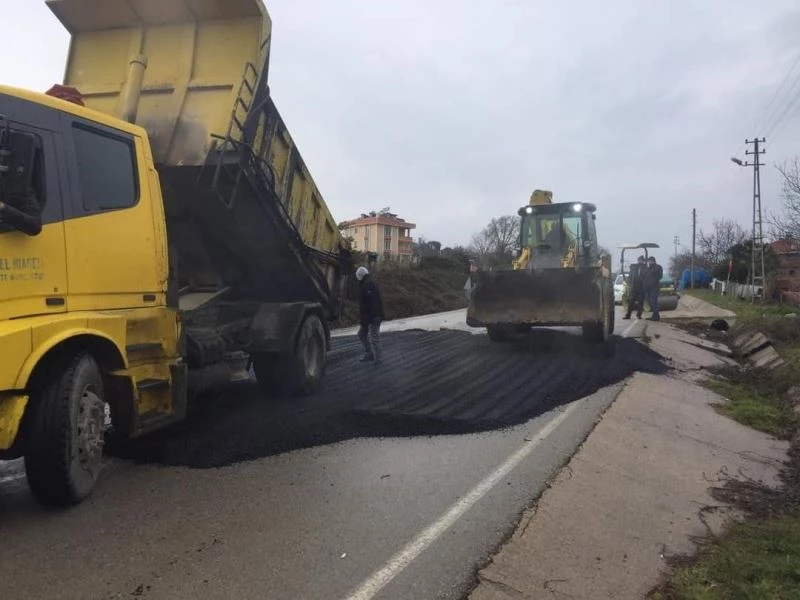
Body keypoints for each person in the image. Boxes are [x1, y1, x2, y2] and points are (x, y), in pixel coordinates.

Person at [356, 266, 384, 365]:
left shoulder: (367, 286)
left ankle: (378, 359)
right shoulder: (369, 284)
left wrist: (374, 316)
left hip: (373, 316)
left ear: (359, 276)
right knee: (362, 334)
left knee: (374, 337)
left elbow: (371, 304)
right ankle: (369, 353)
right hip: (370, 316)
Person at [623, 255, 646, 320]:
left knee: (640, 302)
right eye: (639, 260)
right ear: (638, 260)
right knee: (631, 302)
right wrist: (629, 282)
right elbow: (630, 275)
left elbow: (646, 276)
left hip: (641, 287)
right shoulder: (634, 267)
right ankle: (628, 315)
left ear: (643, 261)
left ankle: (639, 315)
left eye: (641, 260)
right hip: (634, 287)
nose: (640, 261)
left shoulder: (645, 267)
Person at [643, 256, 663, 321]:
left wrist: (653, 281)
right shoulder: (648, 268)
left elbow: (660, 276)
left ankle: (656, 316)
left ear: (653, 261)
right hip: (648, 288)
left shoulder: (658, 267)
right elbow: (645, 277)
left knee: (653, 301)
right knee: (650, 302)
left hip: (654, 287)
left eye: (651, 261)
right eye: (649, 261)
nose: (649, 262)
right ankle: (655, 315)